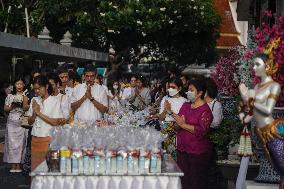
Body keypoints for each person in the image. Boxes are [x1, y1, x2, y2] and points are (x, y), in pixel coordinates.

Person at [239, 54, 284, 187]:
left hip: (272, 131)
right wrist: (243, 115)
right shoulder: (257, 87)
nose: (254, 67)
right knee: (277, 167)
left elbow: (268, 110)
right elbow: (250, 114)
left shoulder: (274, 86)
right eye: (253, 64)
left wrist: (249, 100)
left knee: (282, 165)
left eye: (257, 64)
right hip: (260, 132)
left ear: (267, 66)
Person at [173, 78, 213, 189]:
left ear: (200, 93)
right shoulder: (185, 105)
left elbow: (202, 131)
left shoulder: (205, 110)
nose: (188, 93)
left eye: (191, 90)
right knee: (184, 181)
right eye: (188, 90)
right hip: (182, 150)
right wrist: (177, 123)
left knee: (196, 182)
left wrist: (184, 125)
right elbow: (177, 126)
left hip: (197, 152)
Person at [27, 75, 66, 171]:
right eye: (35, 89)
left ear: (46, 87)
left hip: (49, 140)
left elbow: (56, 122)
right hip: (35, 139)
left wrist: (39, 113)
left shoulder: (54, 101)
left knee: (47, 170)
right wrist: (34, 113)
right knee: (36, 170)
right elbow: (29, 121)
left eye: (39, 88)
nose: (36, 91)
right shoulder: (34, 100)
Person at [3, 78, 29, 173]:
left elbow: (27, 108)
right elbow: (5, 108)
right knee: (11, 143)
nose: (19, 86)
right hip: (11, 121)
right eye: (17, 84)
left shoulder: (26, 95)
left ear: (23, 85)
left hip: (21, 121)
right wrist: (12, 107)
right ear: (14, 85)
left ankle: (18, 165)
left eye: (21, 84)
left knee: (21, 144)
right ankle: (13, 165)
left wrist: (23, 105)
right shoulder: (10, 96)